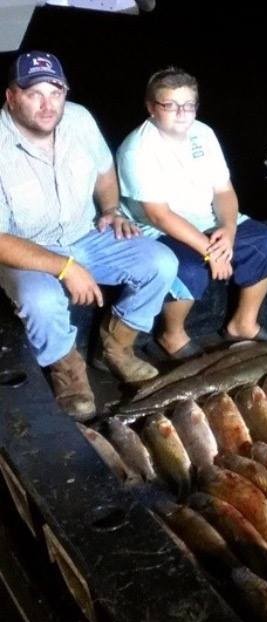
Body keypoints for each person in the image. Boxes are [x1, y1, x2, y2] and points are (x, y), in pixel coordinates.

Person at [0, 51, 177, 421]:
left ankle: (116, 348)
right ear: (12, 95)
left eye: (56, 91)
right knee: (40, 299)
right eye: (34, 93)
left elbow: (104, 168)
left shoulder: (78, 118)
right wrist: (65, 267)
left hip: (85, 233)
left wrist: (111, 210)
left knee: (161, 262)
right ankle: (69, 370)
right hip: (23, 249)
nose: (48, 105)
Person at [117, 67, 267, 359]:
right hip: (157, 230)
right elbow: (159, 215)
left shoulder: (203, 133)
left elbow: (223, 191)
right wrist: (211, 251)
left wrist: (228, 228)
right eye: (170, 105)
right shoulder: (138, 148)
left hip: (205, 220)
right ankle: (170, 336)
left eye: (188, 105)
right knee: (188, 269)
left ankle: (243, 324)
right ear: (151, 107)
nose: (181, 113)